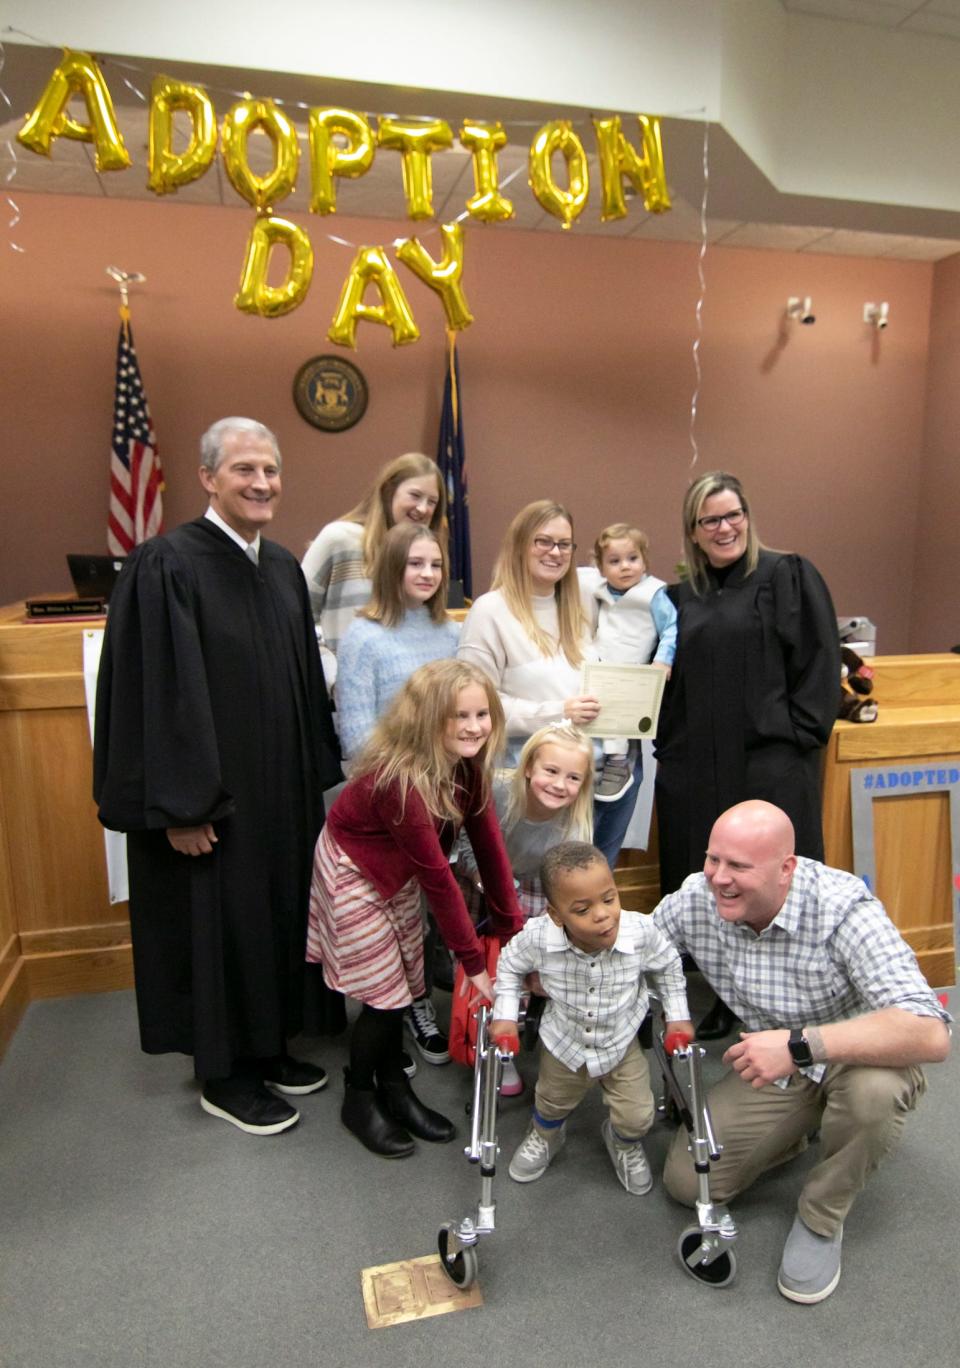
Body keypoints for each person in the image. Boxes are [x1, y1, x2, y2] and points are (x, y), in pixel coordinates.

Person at [93, 417, 342, 1137]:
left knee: (271, 915)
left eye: (270, 470)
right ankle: (223, 1073)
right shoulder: (167, 564)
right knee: (218, 922)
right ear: (208, 477)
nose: (262, 483)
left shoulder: (283, 566)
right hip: (211, 802)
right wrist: (180, 805)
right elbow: (157, 695)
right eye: (244, 470)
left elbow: (300, 686)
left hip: (279, 794)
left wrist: (309, 783)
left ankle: (267, 1048)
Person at [652, 800, 951, 1304]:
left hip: (854, 1057)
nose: (718, 878)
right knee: (686, 1182)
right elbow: (634, 952)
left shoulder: (843, 910)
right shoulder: (696, 898)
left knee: (874, 1096)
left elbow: (929, 1031)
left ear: (786, 868)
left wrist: (800, 1045)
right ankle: (802, 1127)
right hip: (777, 1067)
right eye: (713, 859)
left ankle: (821, 1217)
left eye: (739, 867)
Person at [306, 659, 523, 1158]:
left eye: (482, 714)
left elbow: (489, 848)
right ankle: (359, 1096)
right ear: (427, 719)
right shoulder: (399, 780)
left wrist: (512, 933)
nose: (474, 727)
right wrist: (472, 963)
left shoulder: (467, 767)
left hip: (398, 870)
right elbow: (438, 878)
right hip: (354, 870)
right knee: (383, 996)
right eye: (459, 717)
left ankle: (394, 1088)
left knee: (405, 979)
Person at [654, 471, 840, 1039]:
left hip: (770, 764)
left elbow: (819, 660)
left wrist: (797, 739)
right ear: (693, 529)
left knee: (773, 882)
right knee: (719, 884)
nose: (724, 527)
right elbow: (667, 679)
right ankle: (731, 996)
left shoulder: (787, 574)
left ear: (747, 516)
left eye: (733, 514)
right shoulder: (681, 597)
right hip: (701, 767)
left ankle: (799, 1002)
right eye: (710, 519)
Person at [491, 841, 691, 1193]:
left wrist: (677, 1017)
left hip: (620, 1040)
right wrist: (506, 1016)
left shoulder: (640, 931)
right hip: (564, 1040)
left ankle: (623, 1143)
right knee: (551, 1101)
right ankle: (546, 1136)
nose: (602, 914)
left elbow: (670, 967)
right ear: (556, 915)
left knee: (638, 1116)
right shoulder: (538, 936)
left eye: (609, 899)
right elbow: (509, 966)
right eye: (583, 909)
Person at [335, 521, 460, 1066]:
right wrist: (412, 782)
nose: (428, 574)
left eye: (435, 564)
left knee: (434, 909)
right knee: (398, 915)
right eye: (415, 564)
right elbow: (357, 738)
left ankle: (420, 1002)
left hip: (445, 797)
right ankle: (399, 1009)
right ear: (391, 568)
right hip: (392, 800)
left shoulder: (451, 633)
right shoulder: (364, 636)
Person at [456, 722, 595, 1095]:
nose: (559, 784)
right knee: (493, 975)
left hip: (540, 892)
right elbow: (466, 846)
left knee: (539, 968)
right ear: (530, 765)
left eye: (572, 778)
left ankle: (537, 1026)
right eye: (551, 771)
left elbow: (567, 887)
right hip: (484, 881)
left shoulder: (577, 824)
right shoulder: (497, 793)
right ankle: (498, 1048)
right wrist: (493, 888)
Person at [300, 452, 446, 658]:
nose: (423, 508)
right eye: (415, 495)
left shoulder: (426, 558)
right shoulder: (340, 538)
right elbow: (298, 616)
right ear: (389, 491)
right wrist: (328, 668)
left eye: (432, 501)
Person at [580, 522, 677, 802]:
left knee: (618, 713)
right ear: (600, 567)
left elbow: (671, 627)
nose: (625, 566)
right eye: (614, 561)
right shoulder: (600, 591)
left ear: (645, 560)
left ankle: (618, 762)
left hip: (631, 664)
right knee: (594, 707)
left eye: (632, 559)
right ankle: (595, 758)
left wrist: (663, 661)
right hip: (601, 659)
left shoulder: (653, 593)